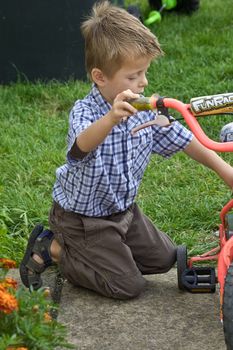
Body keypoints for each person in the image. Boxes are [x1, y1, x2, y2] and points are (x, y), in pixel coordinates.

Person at [20, 1, 233, 299]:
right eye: (133, 76)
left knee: (164, 259)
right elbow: (79, 147)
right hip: (83, 219)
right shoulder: (86, 112)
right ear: (100, 77)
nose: (143, 83)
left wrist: (225, 170)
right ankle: (53, 247)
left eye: (144, 73)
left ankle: (107, 255)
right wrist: (110, 119)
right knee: (127, 286)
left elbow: (183, 139)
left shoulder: (144, 109)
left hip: (124, 211)